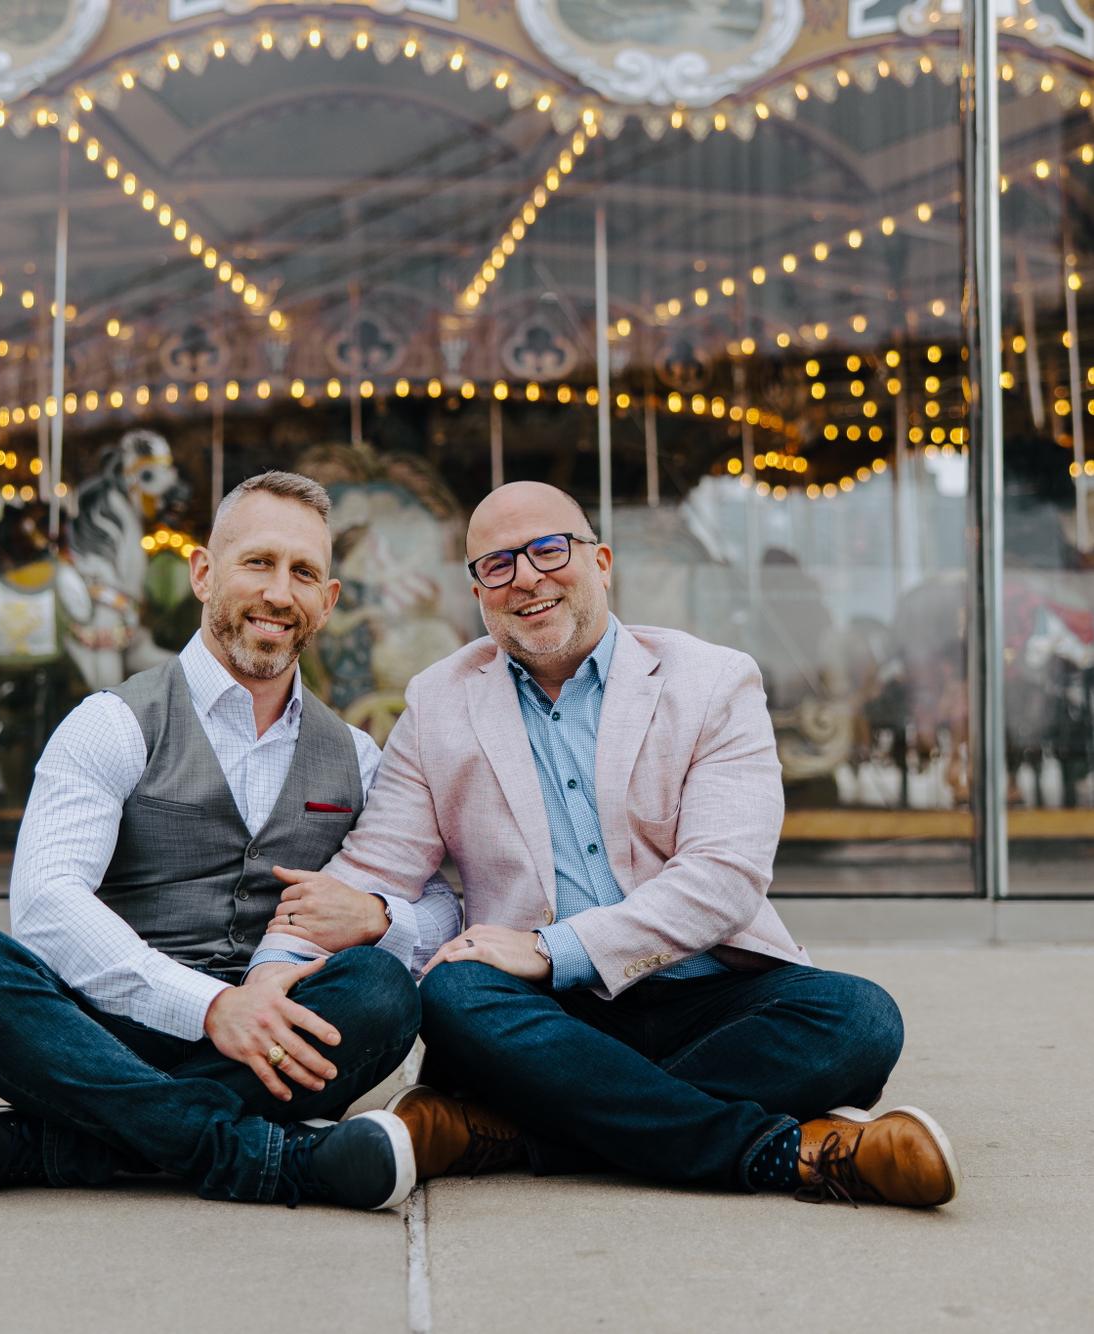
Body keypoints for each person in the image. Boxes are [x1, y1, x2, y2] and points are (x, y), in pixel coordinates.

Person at [264, 480, 959, 1209]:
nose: (526, 577)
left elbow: (724, 880)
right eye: (497, 565)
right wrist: (274, 973)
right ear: (477, 591)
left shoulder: (714, 681)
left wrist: (548, 947)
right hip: (547, 1011)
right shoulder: (440, 701)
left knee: (860, 1018)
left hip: (707, 988)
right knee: (452, 992)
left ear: (601, 561)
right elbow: (375, 870)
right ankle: (791, 1151)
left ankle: (512, 1129)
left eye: (548, 550)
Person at [0, 471, 462, 1210]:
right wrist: (208, 1008)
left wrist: (381, 919)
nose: (277, 592)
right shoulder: (113, 721)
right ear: (205, 574)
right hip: (101, 1032)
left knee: (382, 992)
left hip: (268, 1037)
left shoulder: (356, 757)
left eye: (302, 573)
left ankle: (51, 1144)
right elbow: (46, 903)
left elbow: (442, 909)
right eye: (257, 563)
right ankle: (271, 1159)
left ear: (326, 602)